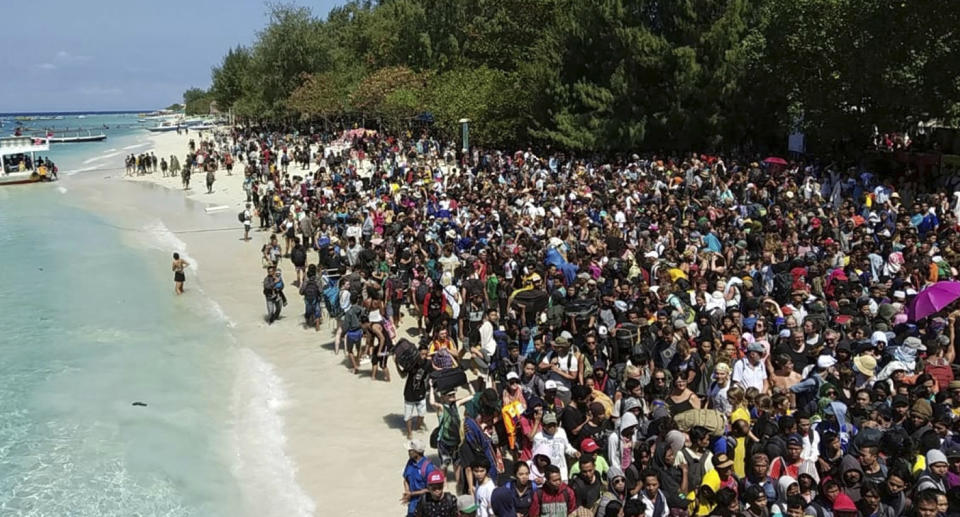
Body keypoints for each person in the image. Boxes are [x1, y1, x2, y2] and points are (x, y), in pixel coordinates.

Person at [399, 344, 433, 440]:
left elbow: (433, 372)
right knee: (407, 415)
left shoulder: (428, 363)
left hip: (421, 392)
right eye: (422, 354)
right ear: (418, 353)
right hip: (409, 393)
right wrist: (396, 366)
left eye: (426, 354)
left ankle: (418, 427)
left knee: (422, 413)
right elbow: (402, 375)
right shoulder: (411, 363)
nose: (424, 356)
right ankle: (409, 433)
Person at [403, 440, 436, 517]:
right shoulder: (410, 462)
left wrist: (411, 494)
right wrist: (407, 492)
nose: (408, 452)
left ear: (416, 452)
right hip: (412, 504)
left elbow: (431, 489)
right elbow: (406, 479)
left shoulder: (428, 467)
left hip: (425, 504)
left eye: (410, 450)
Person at [299, 264, 322, 330]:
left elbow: (302, 290)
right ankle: (317, 326)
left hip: (307, 297)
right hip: (316, 297)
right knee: (317, 310)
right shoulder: (317, 278)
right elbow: (320, 290)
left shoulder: (306, 278)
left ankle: (307, 323)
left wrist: (302, 292)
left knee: (308, 310)